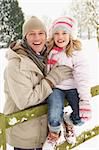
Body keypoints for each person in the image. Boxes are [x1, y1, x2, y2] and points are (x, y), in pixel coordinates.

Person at [3, 16, 73, 150]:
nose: (37, 38)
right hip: (26, 138)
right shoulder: (16, 65)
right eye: (32, 34)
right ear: (25, 37)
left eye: (41, 33)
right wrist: (54, 78)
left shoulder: (47, 56)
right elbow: (25, 101)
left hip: (46, 135)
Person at [42, 16, 92, 150]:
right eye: (57, 33)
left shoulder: (76, 53)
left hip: (72, 88)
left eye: (64, 33)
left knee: (82, 117)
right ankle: (54, 134)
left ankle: (68, 121)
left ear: (71, 35)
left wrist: (85, 101)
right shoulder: (49, 50)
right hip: (56, 88)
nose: (60, 37)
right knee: (54, 113)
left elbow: (82, 77)